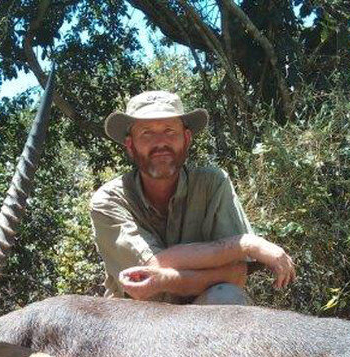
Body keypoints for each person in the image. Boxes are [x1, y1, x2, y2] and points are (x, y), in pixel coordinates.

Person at [90, 90, 296, 305]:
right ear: (130, 145)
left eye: (170, 130)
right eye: (147, 133)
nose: (160, 142)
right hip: (137, 320)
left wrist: (164, 280)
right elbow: (150, 269)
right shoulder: (109, 200)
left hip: (200, 313)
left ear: (186, 138)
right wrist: (243, 244)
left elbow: (237, 274)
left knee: (226, 296)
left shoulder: (212, 184)